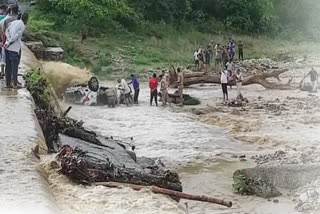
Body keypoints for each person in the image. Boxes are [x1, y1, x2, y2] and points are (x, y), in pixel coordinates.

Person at [4, 11, 27, 89]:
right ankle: (15, 84)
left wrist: (7, 40)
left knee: (8, 66)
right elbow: (16, 36)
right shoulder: (22, 25)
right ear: (25, 19)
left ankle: (8, 83)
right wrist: (10, 42)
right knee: (14, 66)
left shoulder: (13, 22)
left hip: (7, 47)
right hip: (14, 48)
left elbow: (6, 31)